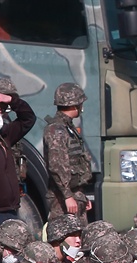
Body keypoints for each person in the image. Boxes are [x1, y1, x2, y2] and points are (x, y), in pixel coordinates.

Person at [0, 77, 37, 228]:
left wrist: (12, 100)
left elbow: (28, 118)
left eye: (3, 106)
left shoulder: (4, 135)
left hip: (11, 208)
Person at [43, 83, 93, 225]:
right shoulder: (56, 130)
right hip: (62, 197)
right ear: (74, 105)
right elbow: (57, 165)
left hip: (74, 193)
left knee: (78, 238)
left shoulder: (67, 127)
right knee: (65, 236)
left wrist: (81, 196)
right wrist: (67, 196)